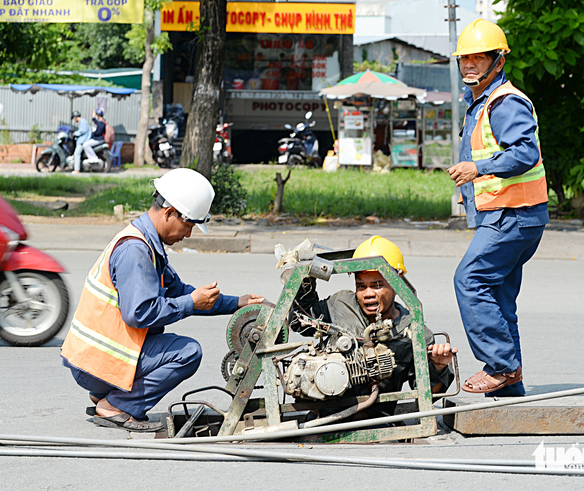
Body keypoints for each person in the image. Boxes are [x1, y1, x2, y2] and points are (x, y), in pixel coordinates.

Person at [61, 168, 266, 431]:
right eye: (189, 224)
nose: (189, 234)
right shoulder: (136, 251)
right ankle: (116, 405)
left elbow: (179, 291)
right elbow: (138, 314)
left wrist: (237, 303)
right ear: (169, 213)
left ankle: (109, 392)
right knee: (188, 353)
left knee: (180, 340)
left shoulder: (147, 242)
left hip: (93, 359)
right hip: (96, 362)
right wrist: (192, 302)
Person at [447, 19, 548, 396]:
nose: (470, 65)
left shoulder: (504, 102)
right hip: (511, 214)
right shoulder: (482, 101)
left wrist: (479, 168)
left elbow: (525, 152)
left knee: (470, 281)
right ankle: (508, 386)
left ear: (498, 61)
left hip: (513, 216)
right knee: (499, 296)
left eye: (479, 58)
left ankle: (502, 367)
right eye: (465, 59)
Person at [288, 236, 457, 417]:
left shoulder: (414, 332)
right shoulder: (341, 304)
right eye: (361, 286)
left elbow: (428, 396)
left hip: (377, 421)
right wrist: (305, 277)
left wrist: (438, 367)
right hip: (325, 417)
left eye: (377, 285)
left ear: (396, 283)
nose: (368, 293)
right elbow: (300, 321)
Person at [70, 110, 91, 174]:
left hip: (82, 141)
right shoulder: (82, 122)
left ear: (76, 117)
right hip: (81, 140)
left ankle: (77, 170)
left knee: (76, 154)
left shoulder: (83, 122)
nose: (74, 119)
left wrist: (74, 133)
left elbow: (82, 131)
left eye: (74, 118)